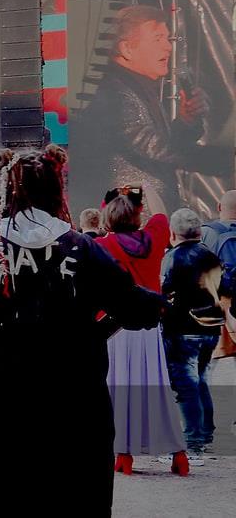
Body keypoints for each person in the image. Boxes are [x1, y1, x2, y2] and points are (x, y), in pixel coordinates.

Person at [0, 146, 165, 517]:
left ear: (8, 189)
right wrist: (165, 303)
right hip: (67, 392)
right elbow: (131, 304)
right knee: (63, 492)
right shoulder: (81, 247)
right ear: (57, 189)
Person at [72, 5, 228, 215]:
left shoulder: (139, 88)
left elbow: (165, 144)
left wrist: (186, 120)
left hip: (147, 218)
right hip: (131, 221)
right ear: (127, 49)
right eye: (158, 39)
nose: (168, 47)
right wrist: (224, 160)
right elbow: (155, 147)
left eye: (168, 38)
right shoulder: (114, 94)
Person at [96, 188, 189, 475]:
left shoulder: (101, 245)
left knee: (118, 389)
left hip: (114, 327)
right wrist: (146, 190)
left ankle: (123, 454)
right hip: (149, 328)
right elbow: (161, 214)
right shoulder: (154, 238)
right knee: (157, 389)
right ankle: (178, 453)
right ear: (137, 216)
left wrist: (109, 200)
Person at [161, 208, 223, 459]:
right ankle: (205, 434)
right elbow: (223, 287)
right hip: (211, 328)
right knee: (201, 380)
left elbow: (165, 290)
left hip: (183, 328)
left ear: (173, 233)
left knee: (186, 386)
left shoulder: (172, 257)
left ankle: (193, 443)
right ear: (198, 231)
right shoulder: (211, 256)